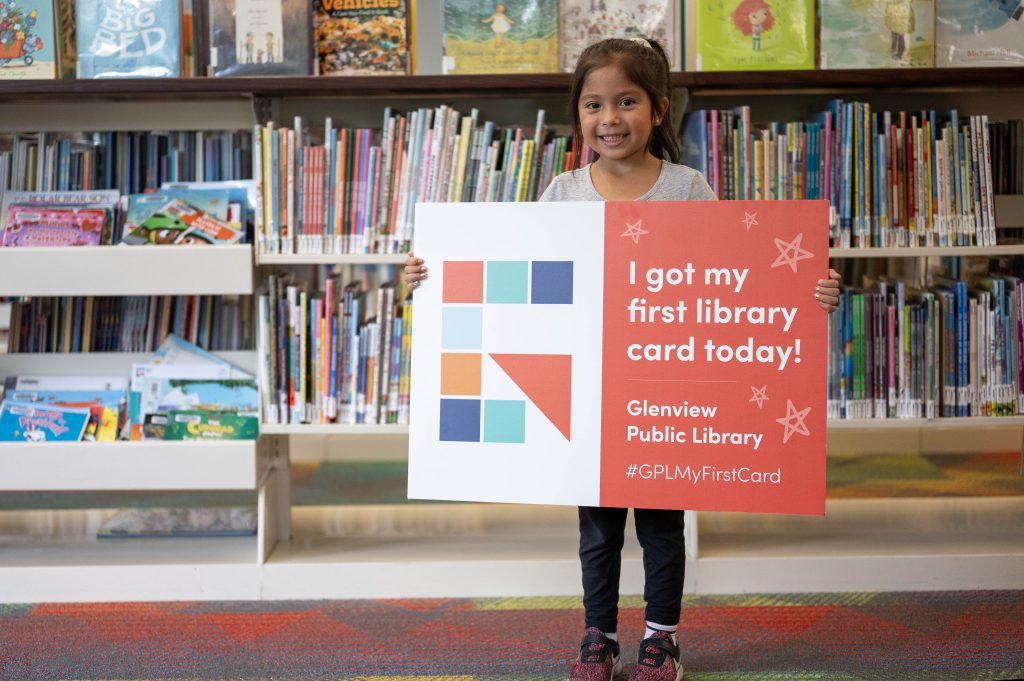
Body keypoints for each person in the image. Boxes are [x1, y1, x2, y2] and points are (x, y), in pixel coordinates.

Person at [405, 36, 841, 681]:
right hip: (589, 403)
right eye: (593, 105)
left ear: (658, 109)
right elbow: (515, 273)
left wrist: (811, 292)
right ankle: (599, 636)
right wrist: (430, 275)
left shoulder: (689, 188)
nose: (609, 119)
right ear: (577, 115)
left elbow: (734, 281)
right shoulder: (563, 192)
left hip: (665, 396)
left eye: (627, 101)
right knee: (599, 529)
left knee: (665, 527)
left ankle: (662, 638)